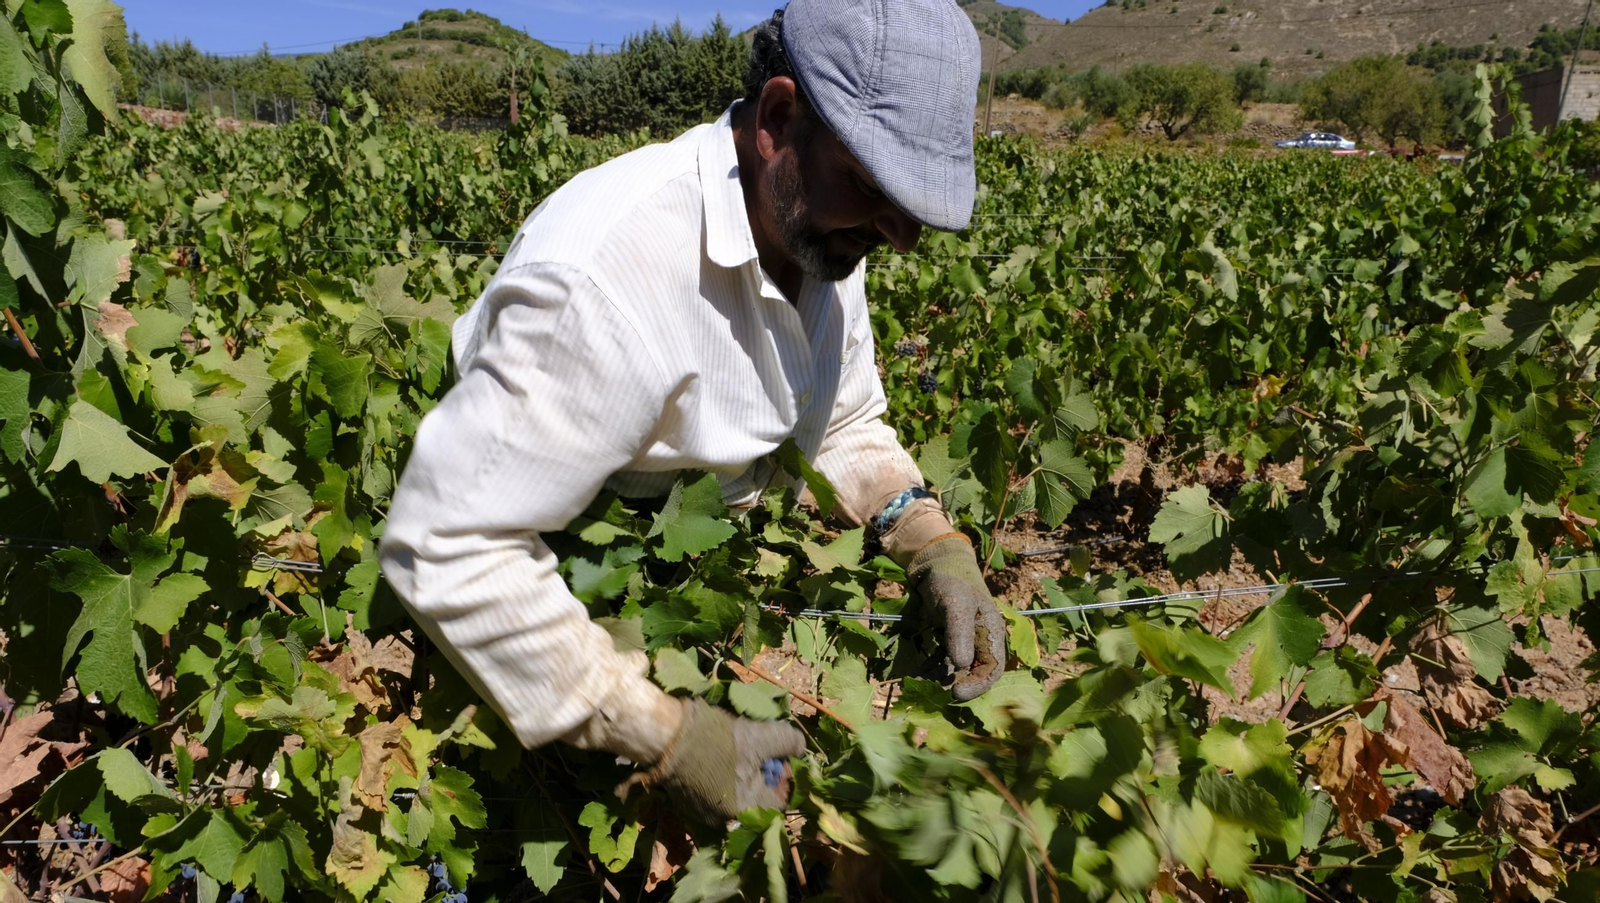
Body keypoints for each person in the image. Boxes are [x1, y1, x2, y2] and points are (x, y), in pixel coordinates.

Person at [379, 0, 1002, 824]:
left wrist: (928, 535)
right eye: (871, 186)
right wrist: (662, 732)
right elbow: (450, 542)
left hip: (697, 589)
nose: (901, 236)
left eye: (911, 208)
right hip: (547, 610)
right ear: (777, 119)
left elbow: (845, 421)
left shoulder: (820, 237)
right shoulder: (608, 277)